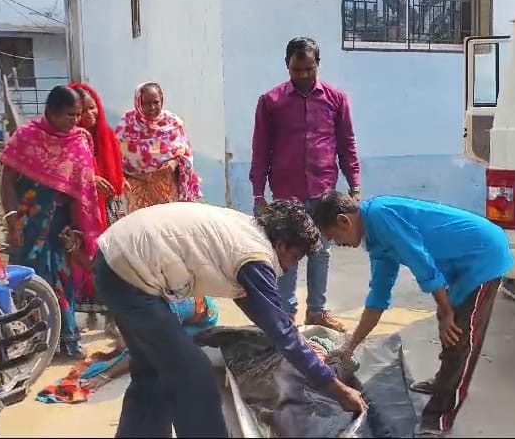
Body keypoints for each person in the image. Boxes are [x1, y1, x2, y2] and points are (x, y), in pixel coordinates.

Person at [93, 200, 367, 438]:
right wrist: (336, 388)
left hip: (116, 259)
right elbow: (281, 332)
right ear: (281, 244)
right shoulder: (255, 255)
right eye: (294, 258)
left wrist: (279, 323)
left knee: (152, 370)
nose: (291, 267)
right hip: (128, 272)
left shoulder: (246, 233)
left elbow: (259, 308)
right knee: (193, 374)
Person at [312, 191, 515, 438]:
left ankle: (440, 417)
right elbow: (378, 298)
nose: (338, 243)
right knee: (450, 326)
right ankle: (443, 381)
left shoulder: (380, 216)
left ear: (344, 220)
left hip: (483, 255)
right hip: (458, 264)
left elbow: (422, 263)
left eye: (335, 237)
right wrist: (349, 347)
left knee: (462, 337)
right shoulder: (375, 239)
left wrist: (446, 311)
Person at [250, 36, 361, 332]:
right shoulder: (270, 102)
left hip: (324, 193)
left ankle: (317, 311)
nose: (302, 76)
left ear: (318, 65)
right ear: (287, 66)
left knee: (321, 252)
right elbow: (260, 150)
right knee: (287, 254)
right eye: (296, 70)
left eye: (309, 69)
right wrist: (259, 194)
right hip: (287, 197)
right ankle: (285, 314)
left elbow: (347, 145)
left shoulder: (336, 99)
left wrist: (354, 186)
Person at [0, 85, 101, 359]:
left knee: (64, 279)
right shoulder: (27, 137)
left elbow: (82, 183)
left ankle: (66, 339)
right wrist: (12, 220)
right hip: (29, 218)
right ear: (51, 112)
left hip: (63, 222)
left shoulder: (80, 139)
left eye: (78, 114)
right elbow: (8, 179)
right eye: (70, 115)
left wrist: (81, 227)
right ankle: (34, 341)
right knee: (31, 277)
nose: (75, 120)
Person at [37, 296, 220, 404]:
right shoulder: (136, 301)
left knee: (161, 351)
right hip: (171, 315)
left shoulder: (167, 313)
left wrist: (106, 375)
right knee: (132, 344)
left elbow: (143, 351)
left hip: (201, 320)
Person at [69, 82, 126, 334]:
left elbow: (116, 172)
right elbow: (62, 173)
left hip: (109, 210)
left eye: (93, 108)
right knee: (83, 260)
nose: (89, 114)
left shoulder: (106, 136)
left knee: (112, 261)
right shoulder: (70, 141)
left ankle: (112, 317)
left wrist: (118, 183)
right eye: (82, 110)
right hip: (81, 212)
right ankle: (88, 315)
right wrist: (89, 179)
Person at [115, 81, 201, 211]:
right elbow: (116, 155)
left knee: (168, 220)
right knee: (141, 222)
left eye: (156, 102)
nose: (152, 107)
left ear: (162, 100)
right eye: (146, 103)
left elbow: (184, 152)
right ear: (138, 102)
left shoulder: (172, 123)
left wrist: (174, 162)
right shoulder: (127, 124)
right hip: (137, 186)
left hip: (166, 185)